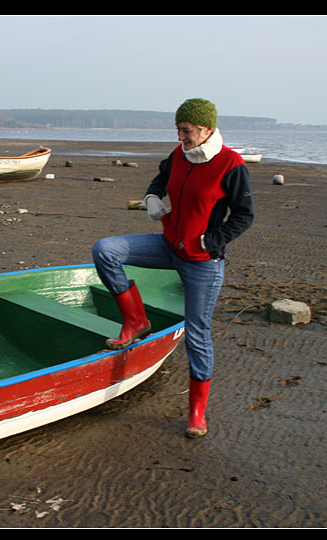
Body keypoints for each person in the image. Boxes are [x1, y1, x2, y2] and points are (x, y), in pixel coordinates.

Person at [92, 98, 254, 438]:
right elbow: (160, 180)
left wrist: (211, 241)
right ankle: (136, 321)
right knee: (105, 250)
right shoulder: (179, 156)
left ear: (207, 129)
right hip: (168, 246)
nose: (180, 137)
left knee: (197, 334)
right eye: (178, 129)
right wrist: (152, 198)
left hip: (203, 262)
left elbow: (244, 215)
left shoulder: (231, 164)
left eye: (187, 131)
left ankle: (197, 413)